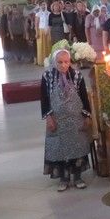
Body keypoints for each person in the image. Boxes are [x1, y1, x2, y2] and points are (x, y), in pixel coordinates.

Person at [41, 48, 92, 191]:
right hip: (57, 120)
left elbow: (84, 97)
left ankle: (77, 177)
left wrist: (87, 116)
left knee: (76, 146)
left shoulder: (77, 75)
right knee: (59, 148)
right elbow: (44, 99)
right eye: (60, 62)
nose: (63, 65)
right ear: (54, 62)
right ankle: (63, 178)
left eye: (66, 62)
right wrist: (49, 117)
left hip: (75, 119)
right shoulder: (47, 76)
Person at [33, 0, 51, 65]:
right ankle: (41, 61)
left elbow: (50, 23)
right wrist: (37, 32)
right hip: (40, 30)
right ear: (40, 6)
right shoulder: (38, 14)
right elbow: (36, 24)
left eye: (44, 5)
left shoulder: (49, 13)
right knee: (41, 46)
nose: (43, 6)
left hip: (47, 30)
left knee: (48, 45)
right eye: (42, 5)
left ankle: (49, 60)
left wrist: (48, 30)